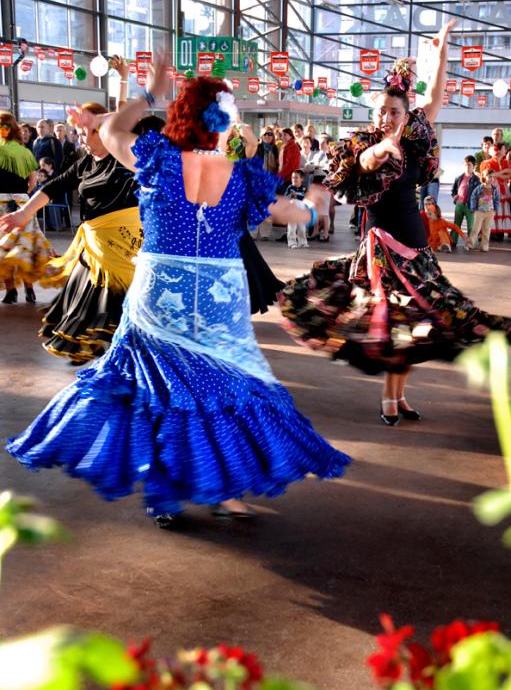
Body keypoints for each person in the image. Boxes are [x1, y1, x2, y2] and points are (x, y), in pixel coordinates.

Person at [5, 66, 350, 526]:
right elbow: (295, 214)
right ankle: (224, 491)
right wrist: (316, 200)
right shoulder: (241, 175)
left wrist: (149, 93)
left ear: (181, 117)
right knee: (224, 391)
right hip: (217, 300)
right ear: (222, 124)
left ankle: (166, 494)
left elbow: (110, 128)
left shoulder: (157, 158)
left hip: (158, 296)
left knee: (162, 394)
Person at [278, 19, 511, 427]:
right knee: (397, 328)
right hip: (382, 254)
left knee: (421, 326)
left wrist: (442, 52)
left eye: (394, 111)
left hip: (418, 251)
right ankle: (390, 401)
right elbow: (365, 162)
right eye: (381, 111)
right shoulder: (364, 146)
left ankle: (400, 396)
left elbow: (438, 96)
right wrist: (381, 147)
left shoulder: (415, 139)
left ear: (407, 114)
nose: (386, 116)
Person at [0, 102, 141, 363]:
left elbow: (132, 116)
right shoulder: (86, 162)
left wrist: (101, 117)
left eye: (85, 132)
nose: (81, 138)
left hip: (125, 253)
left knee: (121, 317)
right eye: (78, 132)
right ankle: (108, 363)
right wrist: (23, 214)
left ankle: (124, 363)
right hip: (94, 253)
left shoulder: (126, 158)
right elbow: (54, 186)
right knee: (90, 318)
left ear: (104, 130)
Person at [0, 111, 53, 304]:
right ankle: (30, 291)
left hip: (1, 204)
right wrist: (22, 195)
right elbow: (33, 182)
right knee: (25, 248)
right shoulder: (26, 152)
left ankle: (10, 291)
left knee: (4, 248)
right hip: (24, 204)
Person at [481, 142, 511, 241]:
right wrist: (503, 173)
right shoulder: (488, 162)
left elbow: (508, 175)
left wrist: (498, 174)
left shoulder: (505, 162)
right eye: (503, 148)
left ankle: (500, 231)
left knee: (502, 209)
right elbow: (489, 175)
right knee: (492, 208)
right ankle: (491, 231)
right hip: (493, 187)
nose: (505, 150)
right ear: (498, 150)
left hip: (502, 188)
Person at [464, 169, 499, 253]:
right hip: (479, 211)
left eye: (493, 177)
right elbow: (473, 197)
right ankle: (470, 244)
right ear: (484, 177)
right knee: (476, 229)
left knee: (487, 229)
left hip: (490, 212)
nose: (491, 179)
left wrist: (495, 210)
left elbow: (496, 200)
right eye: (489, 176)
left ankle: (484, 246)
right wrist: (473, 208)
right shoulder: (479, 188)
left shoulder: (494, 189)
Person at [450, 155, 480, 248]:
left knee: (470, 225)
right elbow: (454, 190)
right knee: (456, 224)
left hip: (469, 206)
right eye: (466, 165)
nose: (467, 167)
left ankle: (471, 243)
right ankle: (452, 241)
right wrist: (455, 196)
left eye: (469, 165)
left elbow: (478, 194)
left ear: (473, 166)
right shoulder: (459, 177)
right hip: (459, 204)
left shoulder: (476, 180)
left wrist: (475, 206)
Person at [285, 169, 308, 248]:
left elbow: (306, 198)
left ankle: (302, 242)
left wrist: (297, 196)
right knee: (292, 227)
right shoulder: (290, 188)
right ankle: (292, 243)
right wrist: (291, 196)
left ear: (302, 179)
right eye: (292, 178)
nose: (294, 179)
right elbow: (286, 198)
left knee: (302, 228)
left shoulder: (304, 188)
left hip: (302, 211)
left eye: (296, 178)